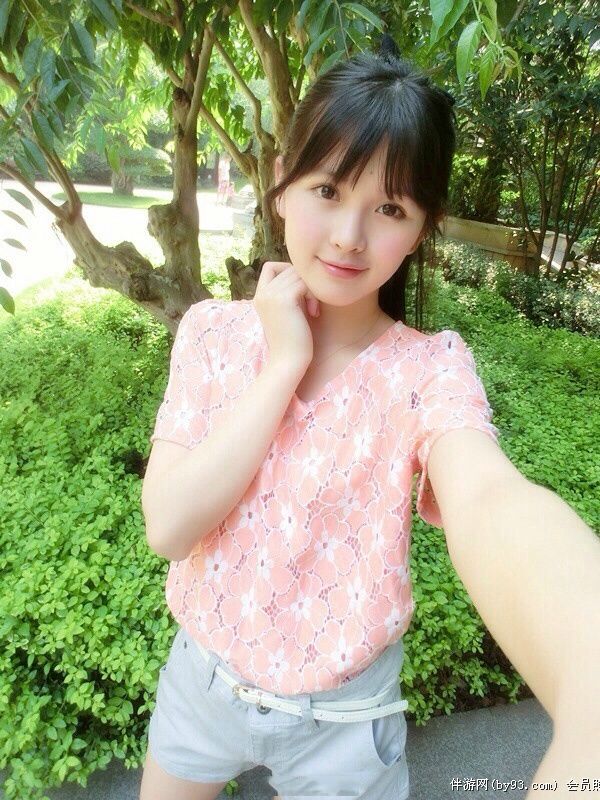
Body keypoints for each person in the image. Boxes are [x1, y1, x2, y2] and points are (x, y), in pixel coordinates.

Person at [139, 35, 599, 800]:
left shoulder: (428, 372)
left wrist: (588, 675)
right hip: (203, 687)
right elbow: (169, 527)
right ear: (281, 186)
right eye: (327, 190)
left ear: (421, 227)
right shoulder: (213, 335)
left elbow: (490, 497)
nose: (350, 237)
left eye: (389, 207)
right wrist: (283, 365)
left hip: (345, 727)